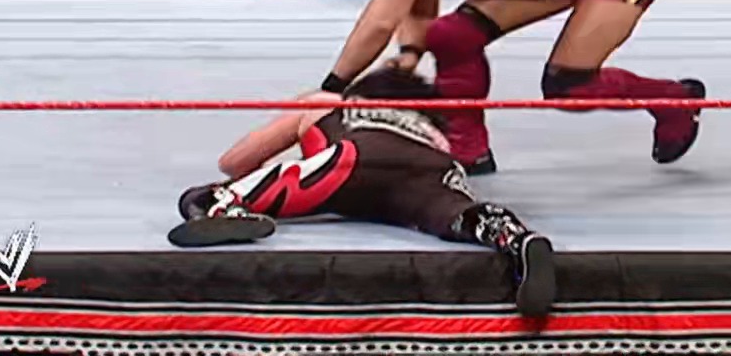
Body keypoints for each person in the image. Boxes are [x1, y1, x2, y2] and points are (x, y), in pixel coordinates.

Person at [305, 0, 705, 172]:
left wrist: (332, 88)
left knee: (569, 86)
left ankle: (674, 99)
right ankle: (468, 148)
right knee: (451, 35)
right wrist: (411, 52)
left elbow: (379, 20)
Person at [169, 68, 556, 318]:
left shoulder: (334, 104)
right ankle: (516, 239)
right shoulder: (436, 134)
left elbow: (236, 161)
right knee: (460, 213)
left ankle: (223, 208)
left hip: (354, 159)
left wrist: (303, 113)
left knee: (230, 189)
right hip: (432, 172)